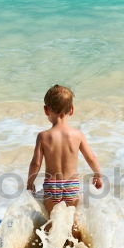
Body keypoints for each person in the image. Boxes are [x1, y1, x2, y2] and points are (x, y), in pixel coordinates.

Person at [26, 84, 102, 217]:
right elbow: (91, 158)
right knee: (72, 222)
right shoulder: (78, 135)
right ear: (72, 110)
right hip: (71, 184)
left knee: (51, 221)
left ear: (46, 110)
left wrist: (30, 182)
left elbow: (35, 164)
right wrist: (97, 175)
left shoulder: (43, 136)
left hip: (51, 186)